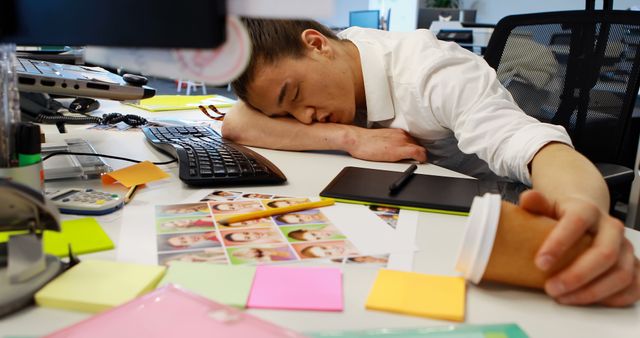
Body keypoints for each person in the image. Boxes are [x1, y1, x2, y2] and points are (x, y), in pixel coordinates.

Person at [221, 18, 639, 306]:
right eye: (286, 116)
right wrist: (350, 138)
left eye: (292, 97)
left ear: (317, 45)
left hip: (497, 220)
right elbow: (237, 122)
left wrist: (583, 210)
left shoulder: (433, 75)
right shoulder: (342, 57)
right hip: (412, 207)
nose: (305, 118)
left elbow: (537, 148)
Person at [231, 245, 295, 263]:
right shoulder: (271, 260)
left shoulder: (273, 244)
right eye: (259, 255)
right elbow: (292, 258)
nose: (263, 253)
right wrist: (273, 254)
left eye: (258, 251)